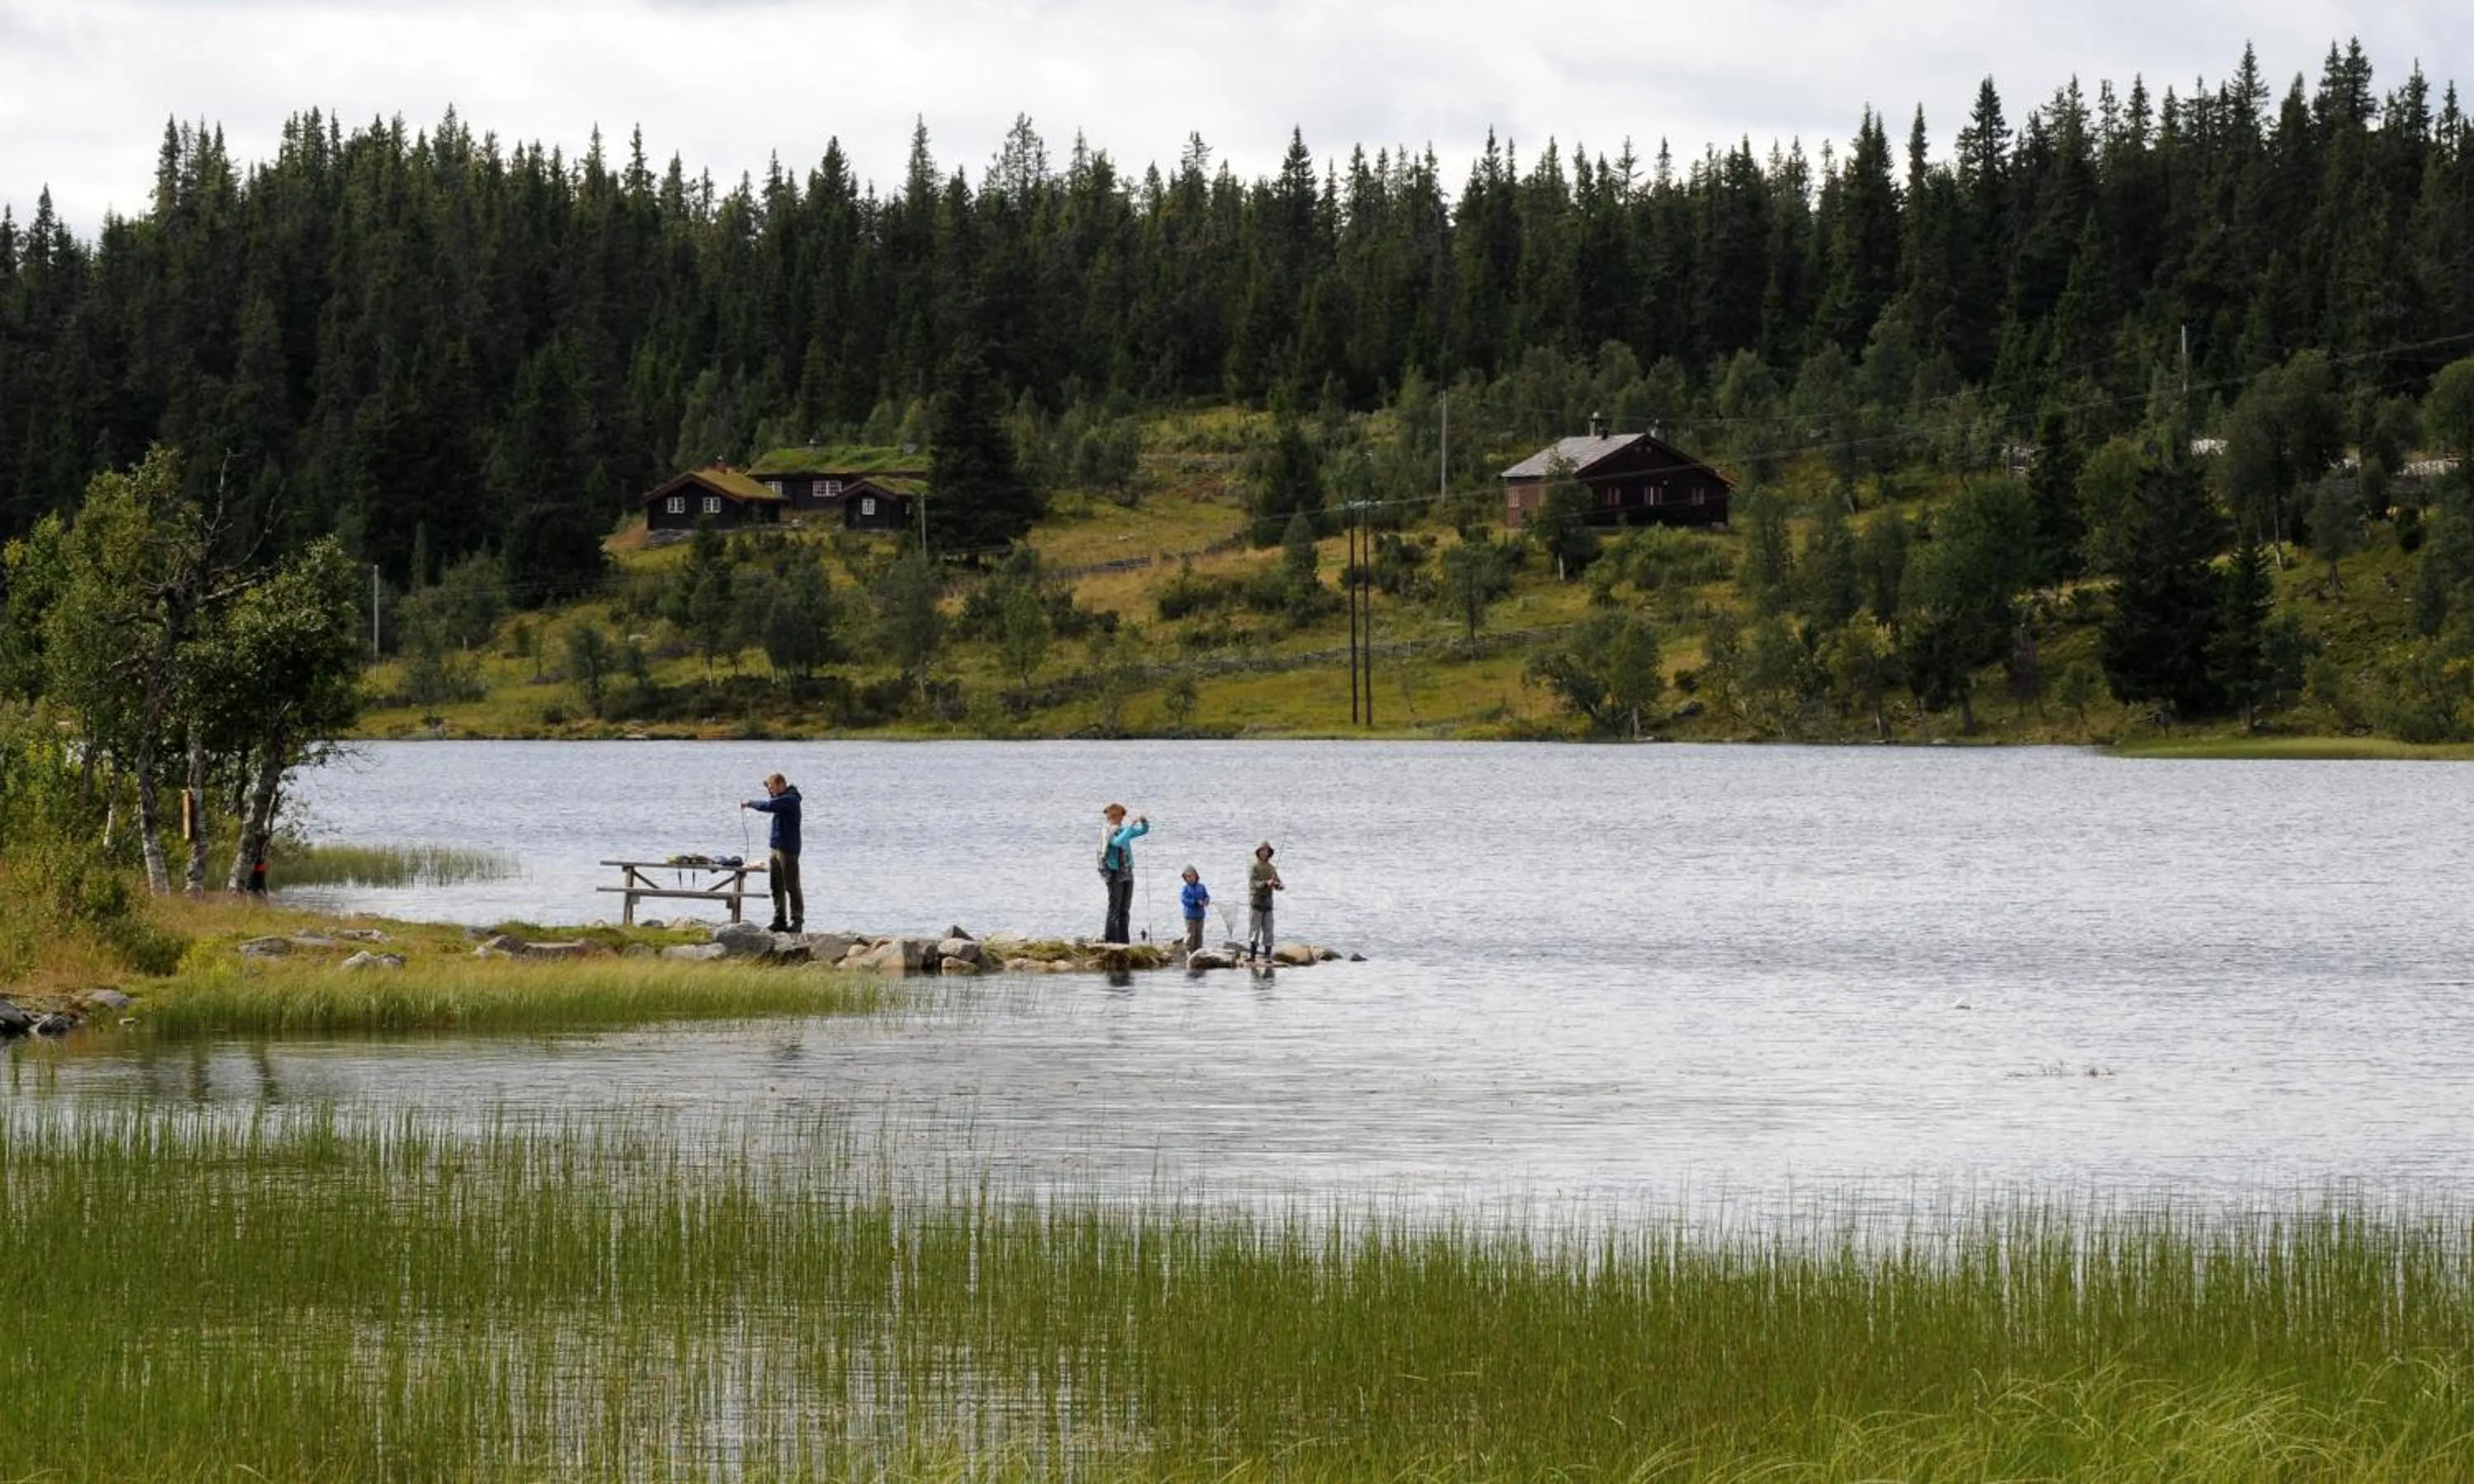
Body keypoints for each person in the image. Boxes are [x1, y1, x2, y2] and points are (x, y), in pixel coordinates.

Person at [741, 773, 803, 932]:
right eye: (769, 789)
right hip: (775, 848)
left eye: (772, 787)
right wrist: (770, 791)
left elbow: (768, 806)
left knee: (792, 886)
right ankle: (779, 920)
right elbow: (773, 801)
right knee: (776, 886)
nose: (771, 791)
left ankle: (797, 921)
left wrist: (749, 803)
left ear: (782, 784)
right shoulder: (781, 798)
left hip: (788, 849)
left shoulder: (790, 800)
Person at [1098, 803, 1149, 943]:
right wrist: (1131, 827)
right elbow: (1117, 843)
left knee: (1125, 909)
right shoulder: (1108, 831)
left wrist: (1143, 820)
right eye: (1113, 816)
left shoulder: (1124, 830)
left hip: (1127, 872)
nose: (1116, 819)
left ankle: (1124, 941)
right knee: (1114, 908)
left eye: (1118, 816)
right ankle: (1111, 940)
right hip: (1114, 873)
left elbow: (1144, 830)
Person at [1246, 841, 1283, 962]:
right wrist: (1266, 883)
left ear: (1269, 853)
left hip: (1268, 904)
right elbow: (1253, 884)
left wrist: (1278, 885)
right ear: (1258, 853)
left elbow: (1278, 884)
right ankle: (1252, 956)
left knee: (1269, 930)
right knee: (1254, 930)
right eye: (1262, 851)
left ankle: (1267, 956)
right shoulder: (1254, 867)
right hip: (1256, 903)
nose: (1264, 853)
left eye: (1266, 851)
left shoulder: (1272, 868)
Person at [1178, 866, 1211, 955]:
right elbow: (1184, 900)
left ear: (1196, 876)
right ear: (1185, 878)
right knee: (1191, 934)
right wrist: (1195, 902)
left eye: (1192, 876)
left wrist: (1206, 901)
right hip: (1190, 916)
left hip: (1200, 915)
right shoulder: (1186, 888)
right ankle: (1189, 951)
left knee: (1199, 934)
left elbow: (1206, 896)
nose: (1190, 878)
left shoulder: (1201, 887)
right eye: (1188, 877)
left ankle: (1199, 950)